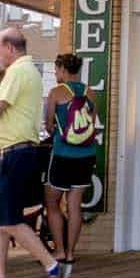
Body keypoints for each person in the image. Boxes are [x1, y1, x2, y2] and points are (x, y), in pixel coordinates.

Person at [0, 26, 69, 278]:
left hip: (14, 154)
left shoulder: (19, 71)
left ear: (11, 48)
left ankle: (54, 267)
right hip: (9, 153)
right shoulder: (26, 71)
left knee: (10, 220)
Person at [42, 51, 99, 266]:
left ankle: (59, 251)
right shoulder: (91, 94)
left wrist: (55, 129)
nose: (56, 73)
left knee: (52, 202)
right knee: (75, 205)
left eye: (56, 69)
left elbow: (48, 125)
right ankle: (71, 253)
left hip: (62, 154)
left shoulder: (56, 92)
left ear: (64, 70)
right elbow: (90, 125)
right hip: (86, 155)